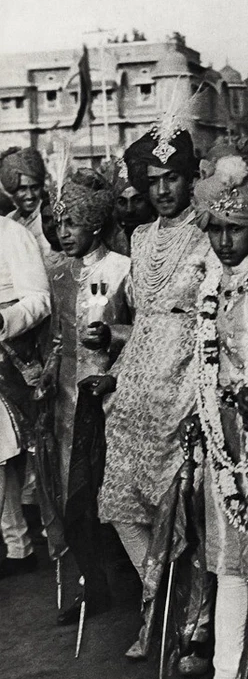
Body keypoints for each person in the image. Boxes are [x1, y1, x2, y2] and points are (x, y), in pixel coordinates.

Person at [175, 152, 248, 679]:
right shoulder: (209, 283)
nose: (222, 241)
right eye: (214, 228)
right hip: (224, 440)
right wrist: (203, 415)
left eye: (234, 229)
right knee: (230, 562)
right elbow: (204, 361)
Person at [98, 126, 212, 658]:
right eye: (154, 181)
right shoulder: (140, 238)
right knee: (125, 505)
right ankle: (157, 603)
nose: (163, 190)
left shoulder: (210, 230)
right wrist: (114, 357)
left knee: (185, 507)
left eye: (173, 178)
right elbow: (143, 319)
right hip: (136, 387)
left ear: (191, 179)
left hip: (186, 381)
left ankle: (196, 624)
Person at [37, 168, 131, 624]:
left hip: (109, 398)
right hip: (64, 402)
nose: (64, 232)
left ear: (95, 223)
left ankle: (139, 586)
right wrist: (44, 374)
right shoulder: (56, 270)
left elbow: (146, 333)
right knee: (72, 502)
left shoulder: (122, 269)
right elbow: (55, 338)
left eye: (72, 222)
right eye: (59, 223)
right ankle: (95, 587)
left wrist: (114, 336)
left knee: (112, 497)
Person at [0, 213, 50, 577]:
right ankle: (17, 543)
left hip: (8, 356)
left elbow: (40, 299)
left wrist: (5, 319)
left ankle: (19, 544)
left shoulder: (11, 234)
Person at [0, 147, 49, 256]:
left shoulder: (48, 220)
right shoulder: (10, 220)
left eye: (34, 187)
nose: (30, 195)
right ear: (12, 189)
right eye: (22, 189)